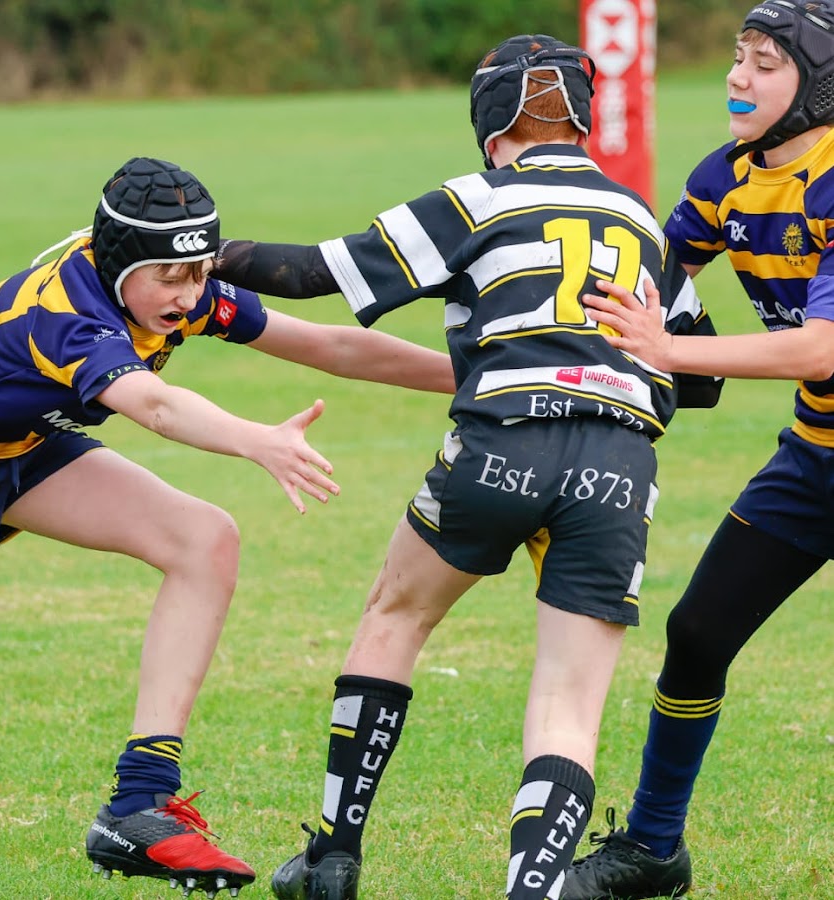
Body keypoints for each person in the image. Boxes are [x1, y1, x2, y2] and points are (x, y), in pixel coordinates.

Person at [211, 34, 722, 900]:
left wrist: (199, 252)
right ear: (583, 124)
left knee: (395, 617)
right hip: (618, 465)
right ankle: (533, 888)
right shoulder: (638, 214)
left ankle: (332, 859)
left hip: (503, 445)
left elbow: (309, 272)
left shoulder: (479, 195)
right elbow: (701, 378)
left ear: (490, 128)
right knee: (566, 706)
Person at [0, 156, 457, 899]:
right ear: (118, 265)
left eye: (199, 273)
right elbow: (154, 406)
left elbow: (330, 345)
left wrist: (481, 377)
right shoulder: (70, 313)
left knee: (204, 540)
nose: (188, 294)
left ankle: (138, 805)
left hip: (16, 446)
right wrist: (257, 440)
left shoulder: (182, 293)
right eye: (169, 278)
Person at [560, 2, 834, 898]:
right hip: (816, 458)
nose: (736, 77)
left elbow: (821, 349)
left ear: (821, 85)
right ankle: (652, 851)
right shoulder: (725, 178)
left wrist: (671, 352)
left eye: (765, 63)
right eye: (738, 56)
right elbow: (647, 273)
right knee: (699, 632)